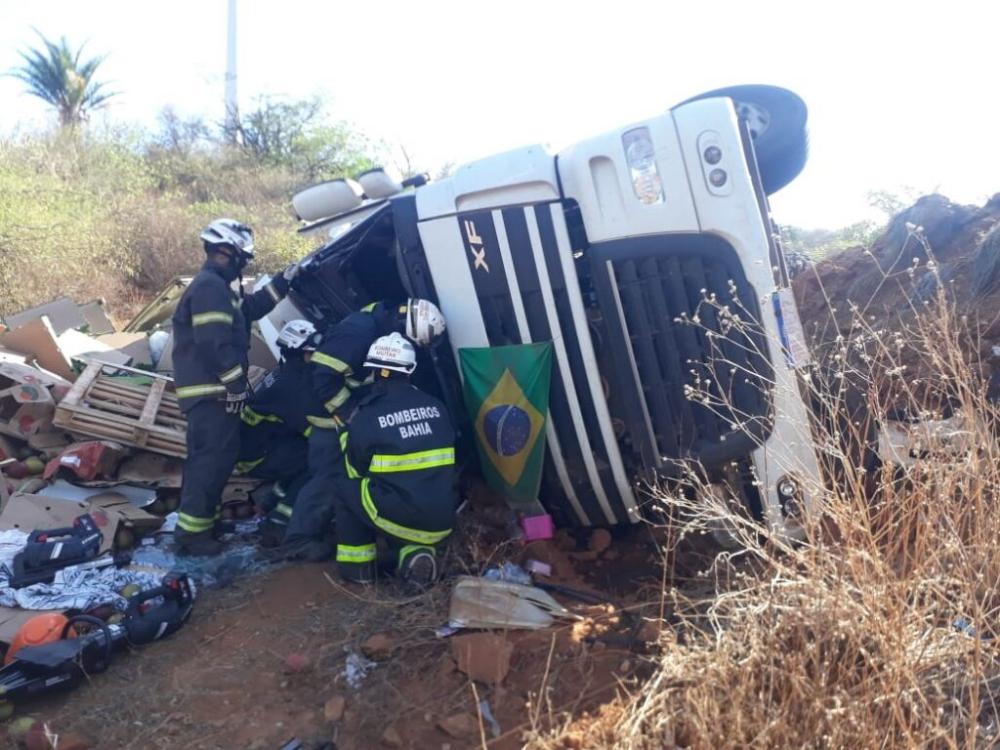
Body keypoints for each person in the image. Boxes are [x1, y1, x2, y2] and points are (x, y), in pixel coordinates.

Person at [281, 298, 446, 560]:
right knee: (330, 477)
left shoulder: (377, 327)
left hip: (344, 411)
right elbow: (323, 375)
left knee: (350, 477)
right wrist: (349, 414)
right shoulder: (359, 332)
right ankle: (299, 540)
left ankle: (323, 530)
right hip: (327, 414)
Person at [172, 218, 298, 556]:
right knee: (209, 462)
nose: (243, 267)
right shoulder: (210, 288)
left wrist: (283, 283)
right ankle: (191, 537)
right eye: (243, 260)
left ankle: (203, 527)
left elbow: (250, 310)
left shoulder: (216, 289)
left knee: (215, 461)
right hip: (211, 394)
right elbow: (213, 343)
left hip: (212, 394)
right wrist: (236, 385)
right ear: (228, 253)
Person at [329, 332, 456, 588]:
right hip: (444, 517)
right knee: (397, 498)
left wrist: (345, 435)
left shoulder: (367, 415)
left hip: (403, 513)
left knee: (346, 487)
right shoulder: (436, 406)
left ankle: (358, 571)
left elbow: (356, 468)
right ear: (409, 370)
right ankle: (415, 554)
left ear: (376, 372)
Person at [235, 320, 321, 546]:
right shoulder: (291, 386)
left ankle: (268, 502)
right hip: (256, 456)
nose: (315, 357)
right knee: (319, 460)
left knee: (305, 452)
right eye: (311, 352)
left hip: (260, 444)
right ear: (298, 352)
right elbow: (313, 429)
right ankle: (279, 522)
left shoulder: (285, 373)